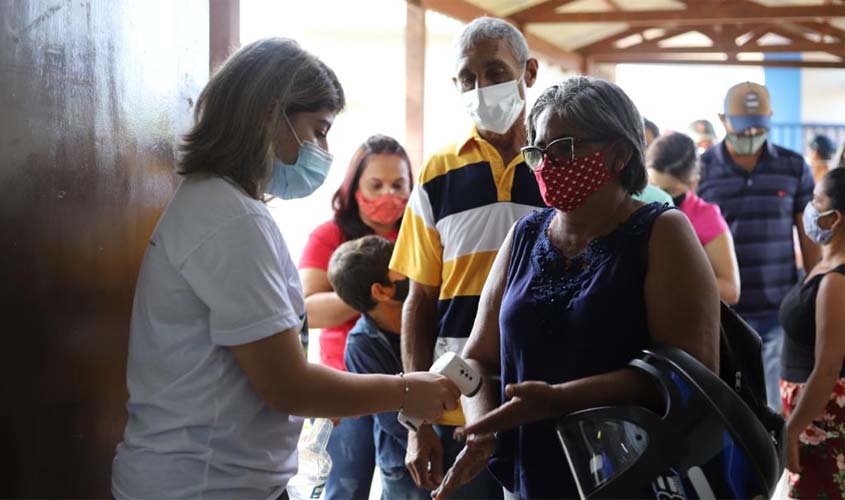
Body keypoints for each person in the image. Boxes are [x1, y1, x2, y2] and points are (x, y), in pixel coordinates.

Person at [110, 38, 459, 499]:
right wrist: (405, 390)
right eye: (317, 129)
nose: (323, 148)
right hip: (205, 486)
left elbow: (265, 371)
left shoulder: (218, 205)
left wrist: (327, 395)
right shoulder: (230, 218)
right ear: (270, 115)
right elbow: (287, 386)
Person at [433, 76, 720, 500]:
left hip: (632, 477)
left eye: (564, 148)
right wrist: (483, 428)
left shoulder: (662, 231)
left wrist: (560, 399)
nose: (547, 163)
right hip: (530, 477)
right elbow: (476, 359)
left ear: (619, 153)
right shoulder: (524, 236)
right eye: (538, 151)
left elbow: (690, 371)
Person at [388, 16, 545, 498]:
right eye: (467, 79)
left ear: (530, 73)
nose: (481, 89)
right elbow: (419, 301)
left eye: (495, 72)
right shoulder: (438, 173)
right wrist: (418, 421)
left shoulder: (556, 163)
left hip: (542, 399)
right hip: (456, 408)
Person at [299, 135, 412, 500]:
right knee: (344, 488)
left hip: (405, 377)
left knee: (403, 479)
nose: (388, 195)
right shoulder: (328, 235)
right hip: (342, 385)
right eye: (375, 185)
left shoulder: (419, 234)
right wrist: (368, 289)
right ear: (354, 186)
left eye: (398, 184)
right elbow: (306, 311)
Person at [698, 81, 820, 412]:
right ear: (723, 120)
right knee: (729, 409)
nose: (751, 131)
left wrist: (815, 292)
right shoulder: (702, 170)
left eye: (759, 125)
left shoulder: (793, 167)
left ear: (771, 117)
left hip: (778, 309)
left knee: (774, 409)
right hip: (724, 313)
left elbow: (808, 238)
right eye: (743, 125)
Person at [327, 236, 430, 500]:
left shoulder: (427, 313)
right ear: (381, 291)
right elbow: (389, 416)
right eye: (403, 268)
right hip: (403, 465)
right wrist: (428, 439)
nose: (412, 271)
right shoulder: (361, 345)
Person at [780, 168, 845, 498]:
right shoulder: (824, 264)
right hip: (808, 411)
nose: (810, 207)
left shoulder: (837, 281)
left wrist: (792, 430)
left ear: (836, 218)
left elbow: (827, 368)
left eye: (817, 201)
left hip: (820, 417)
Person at [647, 132, 740, 304]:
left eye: (669, 191)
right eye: (653, 187)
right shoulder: (637, 206)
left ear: (693, 183)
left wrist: (669, 283)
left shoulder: (705, 216)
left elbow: (730, 290)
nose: (661, 197)